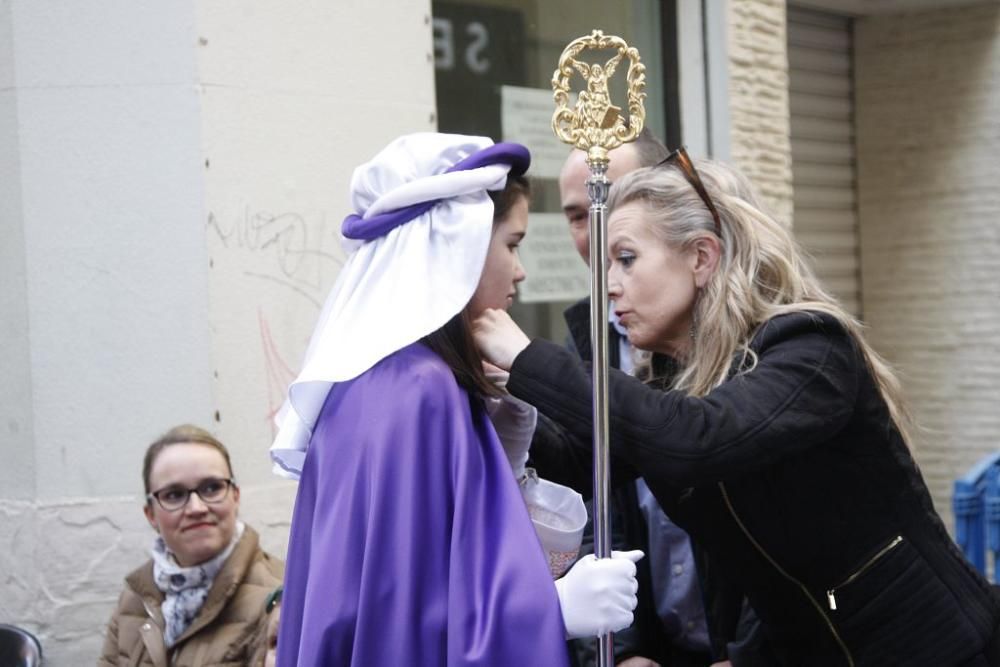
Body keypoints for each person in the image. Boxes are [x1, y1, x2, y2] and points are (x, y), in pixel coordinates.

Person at [474, 150, 1000, 666]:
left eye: (627, 258)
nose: (609, 285)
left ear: (701, 258)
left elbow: (696, 441)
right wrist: (494, 396)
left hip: (930, 648)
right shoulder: (676, 378)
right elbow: (584, 463)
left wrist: (525, 356)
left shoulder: (810, 348)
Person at [269, 133, 642, 667]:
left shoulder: (379, 379)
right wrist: (551, 610)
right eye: (512, 245)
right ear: (456, 245)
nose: (520, 271)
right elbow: (405, 617)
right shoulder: (418, 391)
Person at [556, 131, 717, 667]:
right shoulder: (583, 339)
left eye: (618, 199)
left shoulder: (742, 339)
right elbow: (589, 504)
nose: (599, 223)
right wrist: (624, 651)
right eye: (579, 215)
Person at [98, 424, 284, 666]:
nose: (197, 508)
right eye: (174, 494)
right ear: (150, 514)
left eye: (212, 488)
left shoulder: (279, 599)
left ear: (235, 496)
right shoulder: (136, 598)